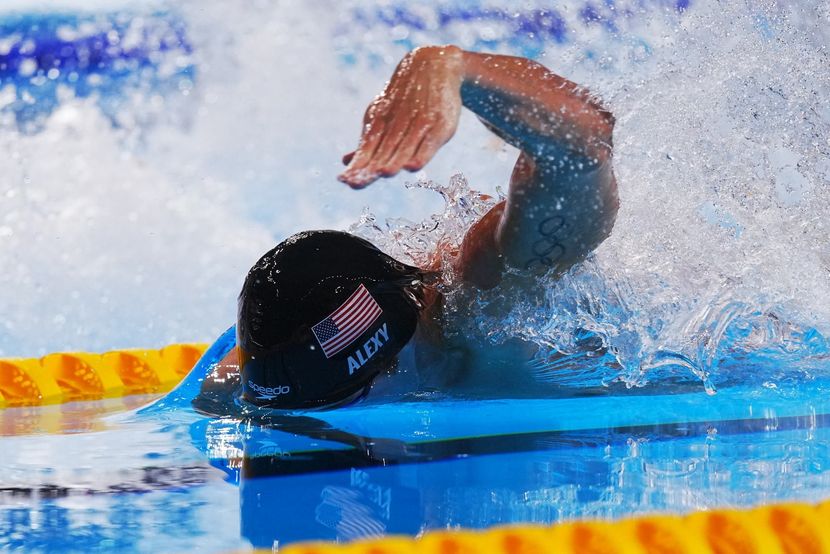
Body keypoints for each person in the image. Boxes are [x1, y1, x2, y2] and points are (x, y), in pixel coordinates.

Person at [198, 45, 618, 412]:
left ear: (392, 362)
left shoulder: (491, 302)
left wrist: (453, 68)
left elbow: (585, 145)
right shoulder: (289, 357)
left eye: (350, 401)